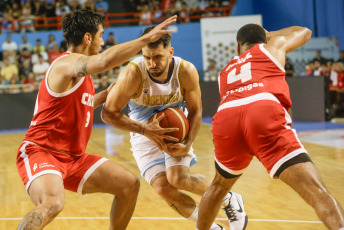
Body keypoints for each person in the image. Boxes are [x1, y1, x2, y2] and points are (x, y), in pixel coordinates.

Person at [16, 9, 177, 230]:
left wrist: (105, 95)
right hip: (42, 151)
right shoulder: (66, 64)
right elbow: (103, 61)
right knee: (52, 203)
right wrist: (144, 40)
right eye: (101, 35)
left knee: (129, 185)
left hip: (74, 158)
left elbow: (82, 103)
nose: (103, 41)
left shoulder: (80, 75)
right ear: (88, 37)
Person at [196, 24, 344, 230]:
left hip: (226, 117)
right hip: (261, 109)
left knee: (218, 187)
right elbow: (305, 32)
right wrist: (270, 36)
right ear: (264, 40)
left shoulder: (225, 71)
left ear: (238, 48)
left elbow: (239, 103)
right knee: (315, 190)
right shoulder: (270, 48)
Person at [101, 26, 248, 230]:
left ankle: (229, 198)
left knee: (178, 178)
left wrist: (187, 144)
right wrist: (145, 130)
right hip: (142, 130)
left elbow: (196, 110)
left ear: (170, 52)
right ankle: (213, 228)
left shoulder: (185, 70)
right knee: (163, 189)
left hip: (175, 128)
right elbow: (108, 114)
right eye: (147, 57)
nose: (152, 63)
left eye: (158, 57)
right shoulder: (132, 74)